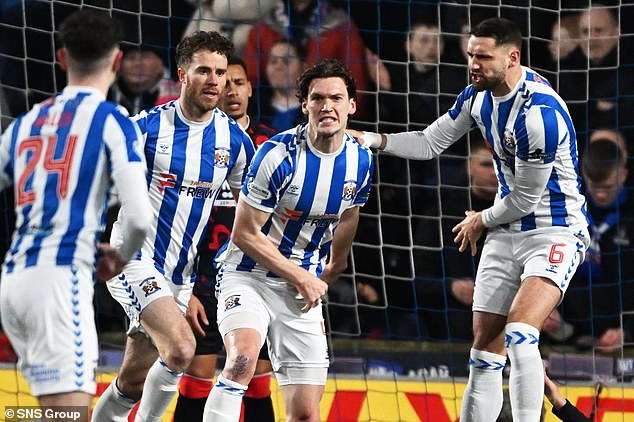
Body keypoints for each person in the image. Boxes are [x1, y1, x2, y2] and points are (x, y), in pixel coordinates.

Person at [354, 17, 589, 421]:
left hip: (555, 231)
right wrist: (374, 140)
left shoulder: (538, 115)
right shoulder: (476, 97)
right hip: (505, 228)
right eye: (470, 55)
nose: (473, 64)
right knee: (483, 351)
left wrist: (480, 219)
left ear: (512, 58)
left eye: (483, 56)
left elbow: (526, 197)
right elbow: (430, 142)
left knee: (520, 333)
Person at [91, 31, 255, 421]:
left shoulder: (233, 141)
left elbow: (249, 212)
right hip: (132, 258)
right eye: (204, 71)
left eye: (221, 72)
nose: (215, 81)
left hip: (179, 277)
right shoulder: (145, 128)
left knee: (133, 380)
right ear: (182, 74)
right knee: (181, 349)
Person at [202, 58, 374, 422]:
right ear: (304, 105)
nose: (327, 106)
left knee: (305, 414)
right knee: (242, 360)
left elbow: (349, 215)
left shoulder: (361, 161)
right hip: (247, 275)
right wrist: (303, 277)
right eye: (318, 98)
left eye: (336, 98)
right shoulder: (276, 155)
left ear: (351, 105)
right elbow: (244, 233)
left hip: (301, 288)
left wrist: (335, 266)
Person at [0, 8, 151, 412]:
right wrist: (118, 259)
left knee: (55, 411)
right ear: (117, 60)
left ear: (61, 57)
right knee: (69, 413)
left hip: (14, 281)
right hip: (59, 281)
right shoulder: (113, 120)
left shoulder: (26, 121)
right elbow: (138, 217)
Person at [173, 57, 277, 422]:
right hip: (200, 280)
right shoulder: (192, 142)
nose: (231, 89)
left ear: (250, 89)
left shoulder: (272, 147)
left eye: (239, 82)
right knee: (195, 376)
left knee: (257, 380)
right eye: (224, 82)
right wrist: (185, 291)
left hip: (256, 280)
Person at [562, 139, 634, 353]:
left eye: (607, 187)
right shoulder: (568, 209)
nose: (600, 194)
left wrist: (627, 332)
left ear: (624, 174)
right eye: (595, 187)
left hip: (623, 334)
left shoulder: (630, 215)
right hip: (568, 334)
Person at [259, 39, 307, 132]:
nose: (278, 66)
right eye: (273, 61)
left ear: (304, 67)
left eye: (286, 61)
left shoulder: (314, 110)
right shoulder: (253, 106)